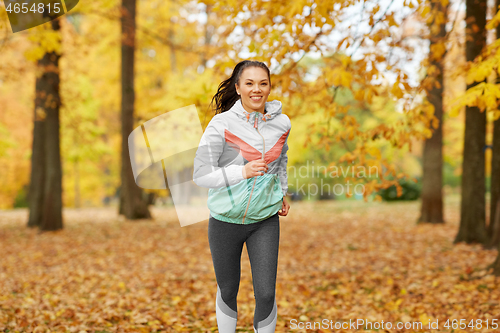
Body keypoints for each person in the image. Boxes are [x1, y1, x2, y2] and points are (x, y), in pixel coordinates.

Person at [193, 60, 291, 333]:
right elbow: (200, 174)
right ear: (238, 88)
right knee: (227, 290)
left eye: (263, 83)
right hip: (225, 220)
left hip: (265, 220)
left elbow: (281, 158)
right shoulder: (220, 124)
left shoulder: (282, 123)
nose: (256, 89)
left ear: (270, 87)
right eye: (249, 83)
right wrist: (242, 172)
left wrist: (281, 190)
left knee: (266, 294)